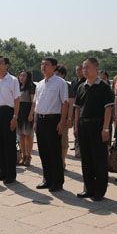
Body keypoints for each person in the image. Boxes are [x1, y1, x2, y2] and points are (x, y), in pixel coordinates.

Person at [73, 57, 114, 201]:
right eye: (83, 68)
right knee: (86, 159)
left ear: (96, 69)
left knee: (99, 160)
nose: (84, 70)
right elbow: (77, 108)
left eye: (87, 67)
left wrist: (106, 129)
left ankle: (99, 190)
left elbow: (108, 108)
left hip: (98, 126)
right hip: (83, 126)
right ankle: (88, 188)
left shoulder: (103, 87)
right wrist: (76, 125)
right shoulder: (81, 86)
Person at [33, 57, 69, 192]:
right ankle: (47, 179)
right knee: (43, 151)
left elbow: (65, 103)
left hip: (54, 120)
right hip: (41, 120)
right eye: (42, 64)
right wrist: (36, 121)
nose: (43, 67)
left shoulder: (60, 83)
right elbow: (37, 104)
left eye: (46, 65)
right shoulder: (40, 84)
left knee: (54, 152)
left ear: (54, 67)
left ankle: (57, 181)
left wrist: (62, 122)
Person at [0, 56, 21, 184]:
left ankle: (11, 174)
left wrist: (15, 117)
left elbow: (17, 100)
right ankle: (2, 172)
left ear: (6, 65)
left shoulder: (12, 80)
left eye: (0, 64)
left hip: (8, 113)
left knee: (9, 145)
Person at [55, 65, 73, 169]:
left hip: (64, 117)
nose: (55, 76)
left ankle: (62, 161)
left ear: (63, 75)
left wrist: (69, 118)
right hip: (53, 117)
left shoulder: (67, 86)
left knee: (63, 141)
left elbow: (70, 103)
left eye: (57, 74)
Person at [17, 70, 35, 166]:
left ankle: (28, 156)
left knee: (28, 135)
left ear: (28, 77)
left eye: (24, 76)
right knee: (21, 135)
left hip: (27, 111)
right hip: (19, 112)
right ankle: (23, 156)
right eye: (20, 75)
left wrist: (31, 114)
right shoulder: (18, 87)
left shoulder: (31, 87)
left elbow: (33, 102)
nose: (21, 77)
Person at [70, 65, 86, 158]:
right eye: (77, 70)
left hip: (82, 107)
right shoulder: (74, 82)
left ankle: (81, 147)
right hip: (74, 106)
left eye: (80, 70)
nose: (78, 72)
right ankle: (76, 146)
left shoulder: (85, 81)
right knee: (75, 127)